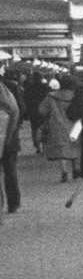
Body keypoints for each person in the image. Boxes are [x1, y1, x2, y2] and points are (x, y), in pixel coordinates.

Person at [37, 76, 78, 182]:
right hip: (75, 125)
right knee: (75, 147)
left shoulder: (51, 97)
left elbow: (42, 110)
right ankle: (76, 171)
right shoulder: (76, 96)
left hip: (57, 126)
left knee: (62, 150)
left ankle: (64, 172)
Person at [0, 68, 20, 215]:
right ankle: (13, 203)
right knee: (10, 170)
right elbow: (17, 109)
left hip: (7, 135)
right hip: (8, 136)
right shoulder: (10, 86)